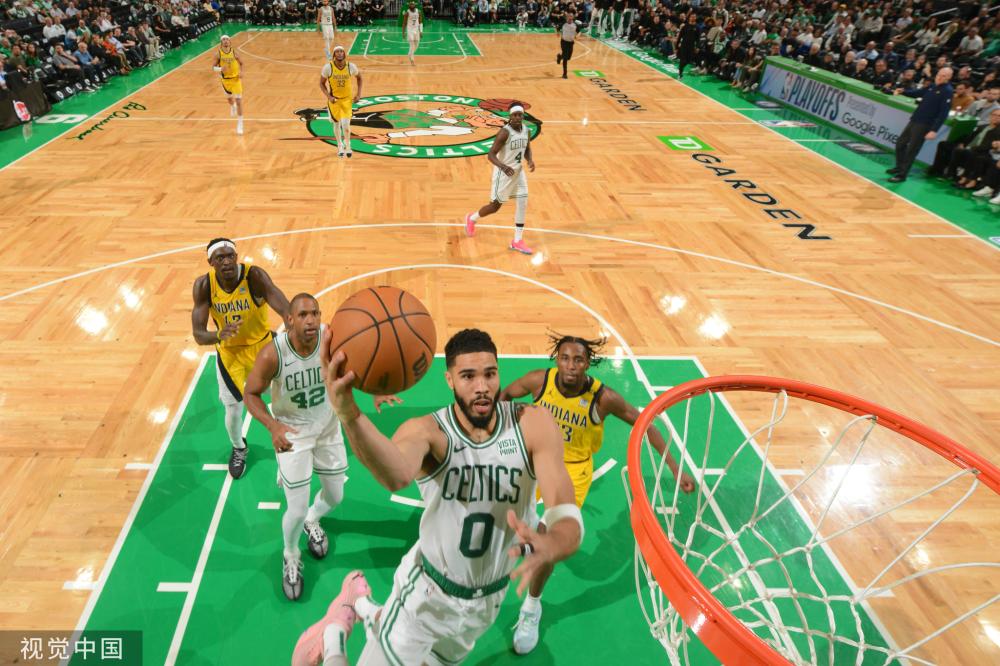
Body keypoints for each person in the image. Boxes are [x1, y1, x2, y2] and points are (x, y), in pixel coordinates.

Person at [320, 328, 583, 665]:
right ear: (449, 380)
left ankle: (365, 608)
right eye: (468, 376)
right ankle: (334, 636)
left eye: (490, 374)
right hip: (425, 597)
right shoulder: (428, 431)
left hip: (486, 602)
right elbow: (395, 475)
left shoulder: (532, 425)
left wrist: (556, 542)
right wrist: (349, 415)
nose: (482, 386)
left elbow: (565, 512)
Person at [498, 333, 696, 654]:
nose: (571, 366)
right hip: (534, 459)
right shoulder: (540, 381)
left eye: (578, 359)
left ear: (588, 363)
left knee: (547, 539)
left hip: (572, 472)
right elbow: (505, 395)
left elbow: (646, 424)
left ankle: (532, 607)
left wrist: (675, 468)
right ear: (557, 360)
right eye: (565, 358)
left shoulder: (603, 398)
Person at [243, 294, 349, 601]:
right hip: (293, 434)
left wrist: (378, 390)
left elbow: (354, 365)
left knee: (336, 496)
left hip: (328, 427)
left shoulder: (329, 339)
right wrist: (272, 426)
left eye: (315, 313)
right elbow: (250, 393)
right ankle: (290, 555)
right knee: (296, 508)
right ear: (289, 319)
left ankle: (313, 520)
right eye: (303, 315)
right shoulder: (273, 355)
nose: (311, 320)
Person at [190, 238, 290, 479]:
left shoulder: (254, 276)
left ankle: (288, 445)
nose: (226, 261)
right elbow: (199, 335)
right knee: (233, 409)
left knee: (282, 402)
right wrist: (218, 335)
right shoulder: (204, 285)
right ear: (210, 262)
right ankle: (239, 447)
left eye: (230, 256)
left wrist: (293, 328)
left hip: (263, 349)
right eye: (220, 258)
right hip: (230, 354)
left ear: (236, 257)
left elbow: (286, 309)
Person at [464, 104, 535, 254]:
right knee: (495, 207)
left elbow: (527, 149)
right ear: (510, 116)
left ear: (523, 116)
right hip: (503, 174)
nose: (517, 117)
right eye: (514, 115)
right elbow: (490, 154)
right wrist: (503, 167)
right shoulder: (504, 133)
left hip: (518, 172)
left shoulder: (526, 131)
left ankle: (517, 241)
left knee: (523, 202)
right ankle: (472, 218)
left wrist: (529, 160)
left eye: (520, 115)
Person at [888, 67, 953, 183]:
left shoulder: (947, 91)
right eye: (939, 74)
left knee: (912, 150)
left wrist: (934, 130)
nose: (939, 77)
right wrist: (904, 91)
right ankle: (899, 166)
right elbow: (919, 92)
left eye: (943, 76)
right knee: (900, 143)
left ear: (949, 77)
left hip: (925, 124)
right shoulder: (933, 85)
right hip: (915, 119)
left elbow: (943, 113)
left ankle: (902, 175)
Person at [319, 45, 362, 158]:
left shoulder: (351, 66)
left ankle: (348, 145)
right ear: (334, 54)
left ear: (344, 54)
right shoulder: (328, 68)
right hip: (334, 101)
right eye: (337, 52)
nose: (339, 53)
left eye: (341, 51)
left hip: (347, 100)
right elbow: (321, 83)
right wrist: (329, 97)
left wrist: (358, 94)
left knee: (346, 125)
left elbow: (359, 78)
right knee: (336, 124)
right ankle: (339, 145)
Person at [213, 34, 245, 135]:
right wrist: (220, 69)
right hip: (225, 81)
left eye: (227, 39)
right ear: (221, 42)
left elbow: (241, 63)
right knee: (230, 99)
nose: (226, 41)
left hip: (236, 79)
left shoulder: (235, 52)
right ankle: (232, 106)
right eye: (224, 39)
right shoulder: (218, 54)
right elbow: (213, 67)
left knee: (239, 101)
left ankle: (240, 124)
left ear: (230, 42)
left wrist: (241, 72)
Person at [555, 11, 577, 79]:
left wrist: (577, 35)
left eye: (571, 16)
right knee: (565, 58)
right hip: (564, 42)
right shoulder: (563, 23)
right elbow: (557, 27)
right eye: (568, 16)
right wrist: (557, 33)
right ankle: (565, 74)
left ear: (573, 17)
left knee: (568, 57)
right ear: (566, 17)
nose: (570, 17)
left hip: (571, 43)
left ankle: (559, 57)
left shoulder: (575, 24)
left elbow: (579, 30)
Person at [401, 0, 422, 65]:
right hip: (410, 30)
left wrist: (421, 31)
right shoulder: (407, 13)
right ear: (409, 6)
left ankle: (409, 54)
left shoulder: (418, 11)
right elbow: (404, 23)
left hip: (416, 29)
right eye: (410, 4)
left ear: (415, 5)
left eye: (413, 4)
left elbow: (420, 22)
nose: (412, 5)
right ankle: (412, 60)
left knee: (417, 44)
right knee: (412, 44)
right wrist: (403, 32)